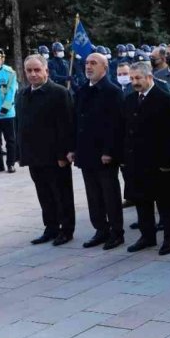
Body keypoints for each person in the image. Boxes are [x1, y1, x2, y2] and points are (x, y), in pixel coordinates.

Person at [16, 55, 76, 246]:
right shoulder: (22, 94)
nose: (33, 74)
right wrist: (20, 153)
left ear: (46, 71)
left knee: (61, 194)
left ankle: (66, 230)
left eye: (37, 70)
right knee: (44, 194)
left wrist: (63, 154)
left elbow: (66, 126)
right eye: (29, 71)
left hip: (55, 156)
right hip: (34, 155)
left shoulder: (59, 93)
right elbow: (20, 125)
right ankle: (50, 227)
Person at [122, 62, 170, 255]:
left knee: (166, 204)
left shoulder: (165, 99)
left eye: (138, 78)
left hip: (159, 163)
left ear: (149, 77)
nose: (134, 82)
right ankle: (147, 236)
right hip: (137, 162)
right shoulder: (130, 100)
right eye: (132, 79)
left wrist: (168, 162)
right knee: (142, 202)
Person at [70, 53, 126, 251]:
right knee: (93, 195)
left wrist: (109, 151)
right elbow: (76, 121)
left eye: (93, 63)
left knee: (109, 194)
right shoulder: (83, 90)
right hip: (86, 152)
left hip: (104, 154)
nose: (88, 67)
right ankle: (101, 229)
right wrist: (73, 148)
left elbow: (116, 125)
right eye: (86, 63)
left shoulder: (112, 91)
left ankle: (117, 232)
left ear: (104, 67)